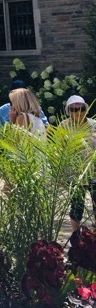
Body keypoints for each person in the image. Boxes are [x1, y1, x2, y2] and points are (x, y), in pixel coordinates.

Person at [60, 95, 96, 232]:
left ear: (85, 109)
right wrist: (63, 176)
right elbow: (61, 150)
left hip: (93, 171)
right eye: (73, 110)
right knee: (76, 207)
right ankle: (76, 237)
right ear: (69, 111)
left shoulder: (93, 125)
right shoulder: (64, 126)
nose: (77, 112)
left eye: (80, 109)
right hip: (75, 174)